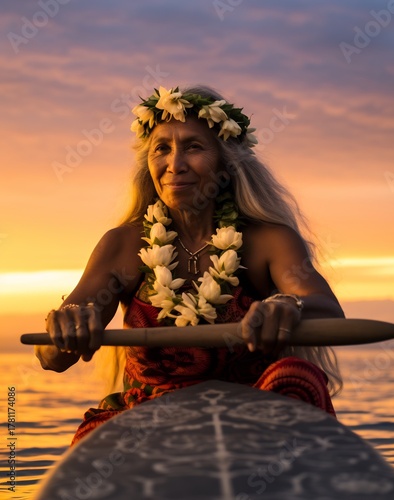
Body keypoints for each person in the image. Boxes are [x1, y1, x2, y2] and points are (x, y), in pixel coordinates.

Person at [36, 85, 345, 445]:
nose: (174, 164)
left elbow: (329, 311)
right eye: (161, 148)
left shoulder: (268, 241)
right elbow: (51, 359)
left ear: (226, 168)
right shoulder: (123, 245)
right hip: (150, 423)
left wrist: (289, 305)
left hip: (249, 421)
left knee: (299, 375)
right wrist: (67, 322)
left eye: (194, 147)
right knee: (98, 437)